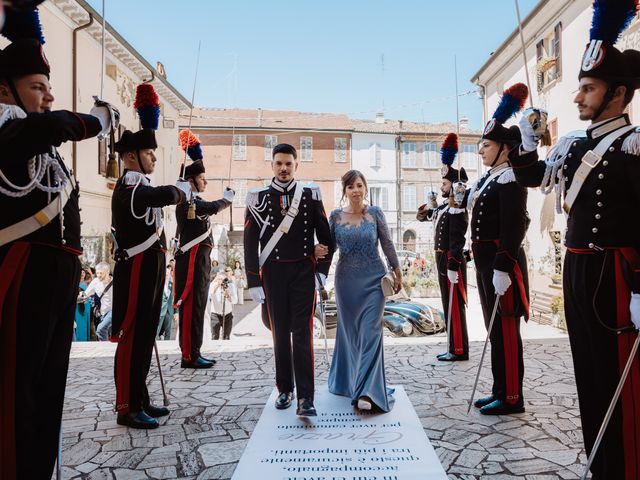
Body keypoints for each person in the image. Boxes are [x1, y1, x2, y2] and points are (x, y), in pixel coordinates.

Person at [510, 3, 640, 476]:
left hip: (617, 276)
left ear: (617, 93)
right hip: (579, 269)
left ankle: (625, 466)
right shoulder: (576, 144)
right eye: (580, 87)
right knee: (588, 372)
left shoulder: (633, 146)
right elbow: (535, 177)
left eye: (588, 88)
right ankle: (600, 461)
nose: (579, 97)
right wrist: (527, 141)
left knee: (618, 378)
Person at [0, 8, 115, 478]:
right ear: (5, 89)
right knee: (18, 391)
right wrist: (95, 122)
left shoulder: (32, 136)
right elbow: (50, 127)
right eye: (37, 88)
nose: (47, 98)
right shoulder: (10, 129)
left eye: (49, 90)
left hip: (54, 278)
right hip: (24, 272)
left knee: (47, 391)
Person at [110, 83, 187, 430]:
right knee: (132, 333)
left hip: (151, 265)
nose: (154, 159)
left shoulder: (141, 184)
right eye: (149, 154)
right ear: (130, 157)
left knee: (146, 335)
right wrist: (177, 191)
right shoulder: (131, 186)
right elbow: (159, 196)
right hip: (137, 266)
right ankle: (126, 404)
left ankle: (140, 398)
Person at [244, 143, 333, 416]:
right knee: (279, 334)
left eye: (289, 164)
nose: (284, 169)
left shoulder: (310, 195)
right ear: (272, 165)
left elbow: (327, 237)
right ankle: (285, 389)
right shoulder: (257, 198)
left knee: (303, 333)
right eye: (279, 163)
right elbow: (249, 243)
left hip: (303, 273)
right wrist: (253, 282)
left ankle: (306, 397)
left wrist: (321, 269)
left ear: (296, 166)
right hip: (273, 273)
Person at [470, 83, 530, 416]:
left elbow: (514, 226)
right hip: (485, 264)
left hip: (500, 265)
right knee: (495, 330)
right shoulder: (491, 178)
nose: (481, 150)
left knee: (507, 331)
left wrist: (504, 265)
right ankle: (498, 388)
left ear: (504, 148)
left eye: (486, 145)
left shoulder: (510, 177)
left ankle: (511, 397)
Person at [328, 170, 401, 412]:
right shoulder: (336, 217)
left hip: (374, 282)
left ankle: (367, 392)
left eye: (359, 185)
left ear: (366, 188)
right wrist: (319, 274)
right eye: (350, 187)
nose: (356, 190)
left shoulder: (375, 213)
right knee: (350, 335)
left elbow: (388, 244)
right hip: (346, 283)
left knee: (371, 333)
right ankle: (351, 382)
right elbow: (328, 250)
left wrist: (397, 269)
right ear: (344, 191)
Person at [174, 129, 233, 368]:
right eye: (202, 178)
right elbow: (210, 207)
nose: (205, 181)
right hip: (191, 262)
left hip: (200, 262)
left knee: (198, 306)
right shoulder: (187, 201)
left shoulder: (193, 201)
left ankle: (194, 350)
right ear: (191, 181)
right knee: (190, 307)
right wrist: (227, 200)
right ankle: (188, 354)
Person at [417, 133, 469, 361]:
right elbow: (424, 216)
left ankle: (458, 349)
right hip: (441, 259)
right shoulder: (443, 209)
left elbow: (458, 238)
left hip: (451, 259)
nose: (441, 187)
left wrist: (453, 263)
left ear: (454, 185)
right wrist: (430, 204)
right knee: (447, 304)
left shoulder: (457, 205)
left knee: (455, 306)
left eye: (445, 183)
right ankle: (452, 346)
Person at [83, 262, 113, 341]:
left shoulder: (116, 282)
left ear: (108, 271)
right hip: (103, 313)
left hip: (114, 311)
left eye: (101, 273)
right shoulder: (95, 282)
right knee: (109, 334)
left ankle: (104, 348)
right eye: (97, 273)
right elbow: (86, 294)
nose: (99, 275)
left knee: (100, 330)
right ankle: (108, 351)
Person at [210, 267, 238, 340]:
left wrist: (229, 296)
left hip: (228, 315)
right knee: (214, 337)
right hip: (215, 315)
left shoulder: (231, 286)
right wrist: (217, 285)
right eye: (220, 279)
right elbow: (209, 296)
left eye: (224, 279)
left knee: (226, 337)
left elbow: (235, 301)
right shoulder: (213, 285)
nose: (222, 281)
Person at [157, 261, 175, 340]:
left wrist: (175, 312)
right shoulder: (159, 284)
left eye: (168, 275)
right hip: (160, 309)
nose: (167, 276)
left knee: (168, 330)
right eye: (166, 275)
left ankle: (167, 342)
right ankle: (155, 339)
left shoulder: (171, 284)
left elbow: (174, 297)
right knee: (157, 327)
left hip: (169, 310)